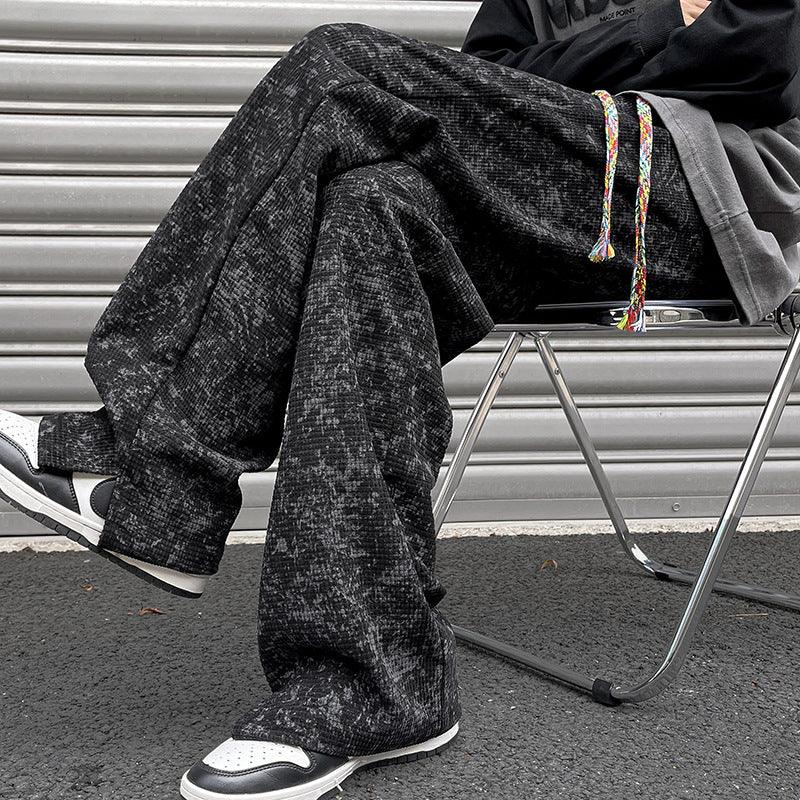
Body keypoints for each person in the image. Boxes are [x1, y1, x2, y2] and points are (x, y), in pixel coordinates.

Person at [1, 1, 798, 798]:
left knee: (343, 65)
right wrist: (665, 26)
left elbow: (757, 56)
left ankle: (160, 477)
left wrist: (604, 61)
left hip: (708, 201)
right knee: (371, 200)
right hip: (536, 194)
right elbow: (499, 84)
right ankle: (375, 678)